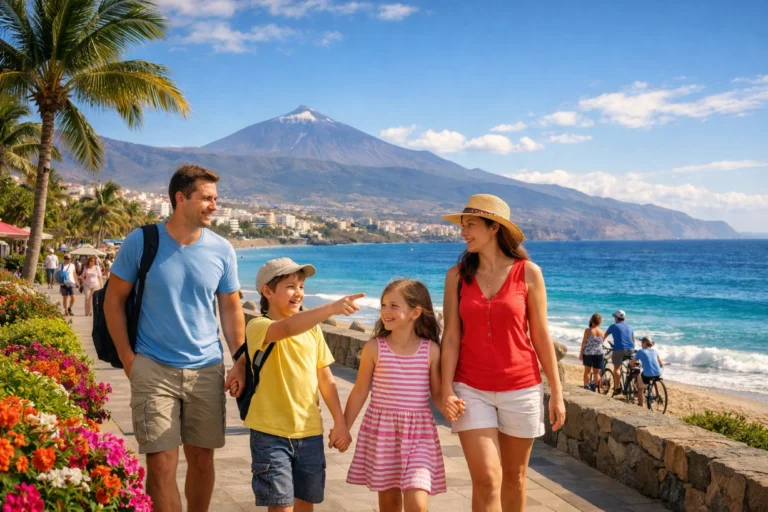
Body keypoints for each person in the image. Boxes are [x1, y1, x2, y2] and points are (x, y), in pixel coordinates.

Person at [104, 165, 246, 512]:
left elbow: (231, 309)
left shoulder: (222, 249)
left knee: (201, 461)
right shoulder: (142, 241)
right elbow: (113, 300)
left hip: (206, 369)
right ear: (181, 199)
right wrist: (127, 358)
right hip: (152, 368)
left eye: (216, 198)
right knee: (161, 463)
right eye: (207, 198)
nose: (215, 205)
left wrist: (240, 361)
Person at [440, 194, 566, 511]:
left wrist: (557, 392)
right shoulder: (456, 276)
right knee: (486, 479)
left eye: (470, 225)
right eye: (462, 224)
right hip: (470, 388)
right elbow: (451, 336)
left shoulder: (529, 273)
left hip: (522, 387)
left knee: (516, 478)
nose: (463, 231)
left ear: (494, 227)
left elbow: (540, 335)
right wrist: (445, 389)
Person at [244, 257, 360, 511]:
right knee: (281, 506)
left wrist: (340, 424)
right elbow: (286, 329)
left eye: (302, 287)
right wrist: (330, 308)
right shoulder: (257, 326)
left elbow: (326, 380)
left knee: (306, 504)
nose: (298, 293)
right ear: (267, 291)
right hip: (270, 433)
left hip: (309, 433)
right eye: (290, 286)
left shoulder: (313, 330)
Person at [345, 280, 447, 512]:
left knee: (417, 505)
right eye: (383, 305)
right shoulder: (374, 348)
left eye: (393, 305)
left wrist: (451, 408)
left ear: (416, 312)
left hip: (419, 434)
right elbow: (360, 390)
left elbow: (438, 393)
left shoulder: (431, 350)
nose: (385, 311)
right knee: (389, 505)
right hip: (383, 434)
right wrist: (344, 426)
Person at [603, 310, 636, 396]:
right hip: (631, 349)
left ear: (617, 318)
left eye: (615, 317)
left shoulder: (613, 326)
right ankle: (632, 385)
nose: (614, 319)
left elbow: (604, 336)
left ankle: (617, 388)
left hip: (619, 349)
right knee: (631, 367)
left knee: (616, 368)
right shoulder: (630, 327)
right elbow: (633, 340)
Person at [631, 337, 664, 407]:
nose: (641, 344)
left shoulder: (641, 351)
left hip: (647, 375)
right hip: (658, 373)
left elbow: (632, 362)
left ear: (644, 343)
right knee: (653, 378)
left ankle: (640, 404)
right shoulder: (655, 351)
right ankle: (656, 394)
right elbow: (661, 363)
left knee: (640, 387)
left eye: (641, 342)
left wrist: (630, 365)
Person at [579, 313, 605, 391]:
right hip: (598, 354)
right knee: (596, 373)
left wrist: (581, 353)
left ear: (591, 320)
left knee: (587, 371)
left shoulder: (588, 330)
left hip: (588, 353)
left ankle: (586, 387)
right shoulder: (602, 332)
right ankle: (596, 388)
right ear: (600, 322)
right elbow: (601, 343)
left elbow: (584, 342)